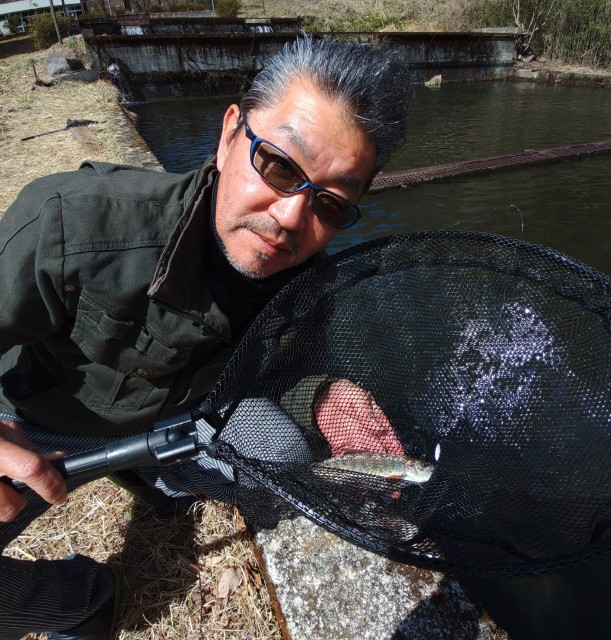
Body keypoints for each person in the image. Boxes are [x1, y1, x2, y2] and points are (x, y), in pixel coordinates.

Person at [0, 36, 412, 639]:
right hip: (41, 426)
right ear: (228, 136)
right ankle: (78, 598)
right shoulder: (71, 219)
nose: (290, 218)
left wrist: (324, 394)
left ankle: (154, 474)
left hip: (185, 416)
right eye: (278, 166)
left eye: (329, 204)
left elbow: (290, 367)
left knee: (287, 458)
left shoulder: (309, 282)